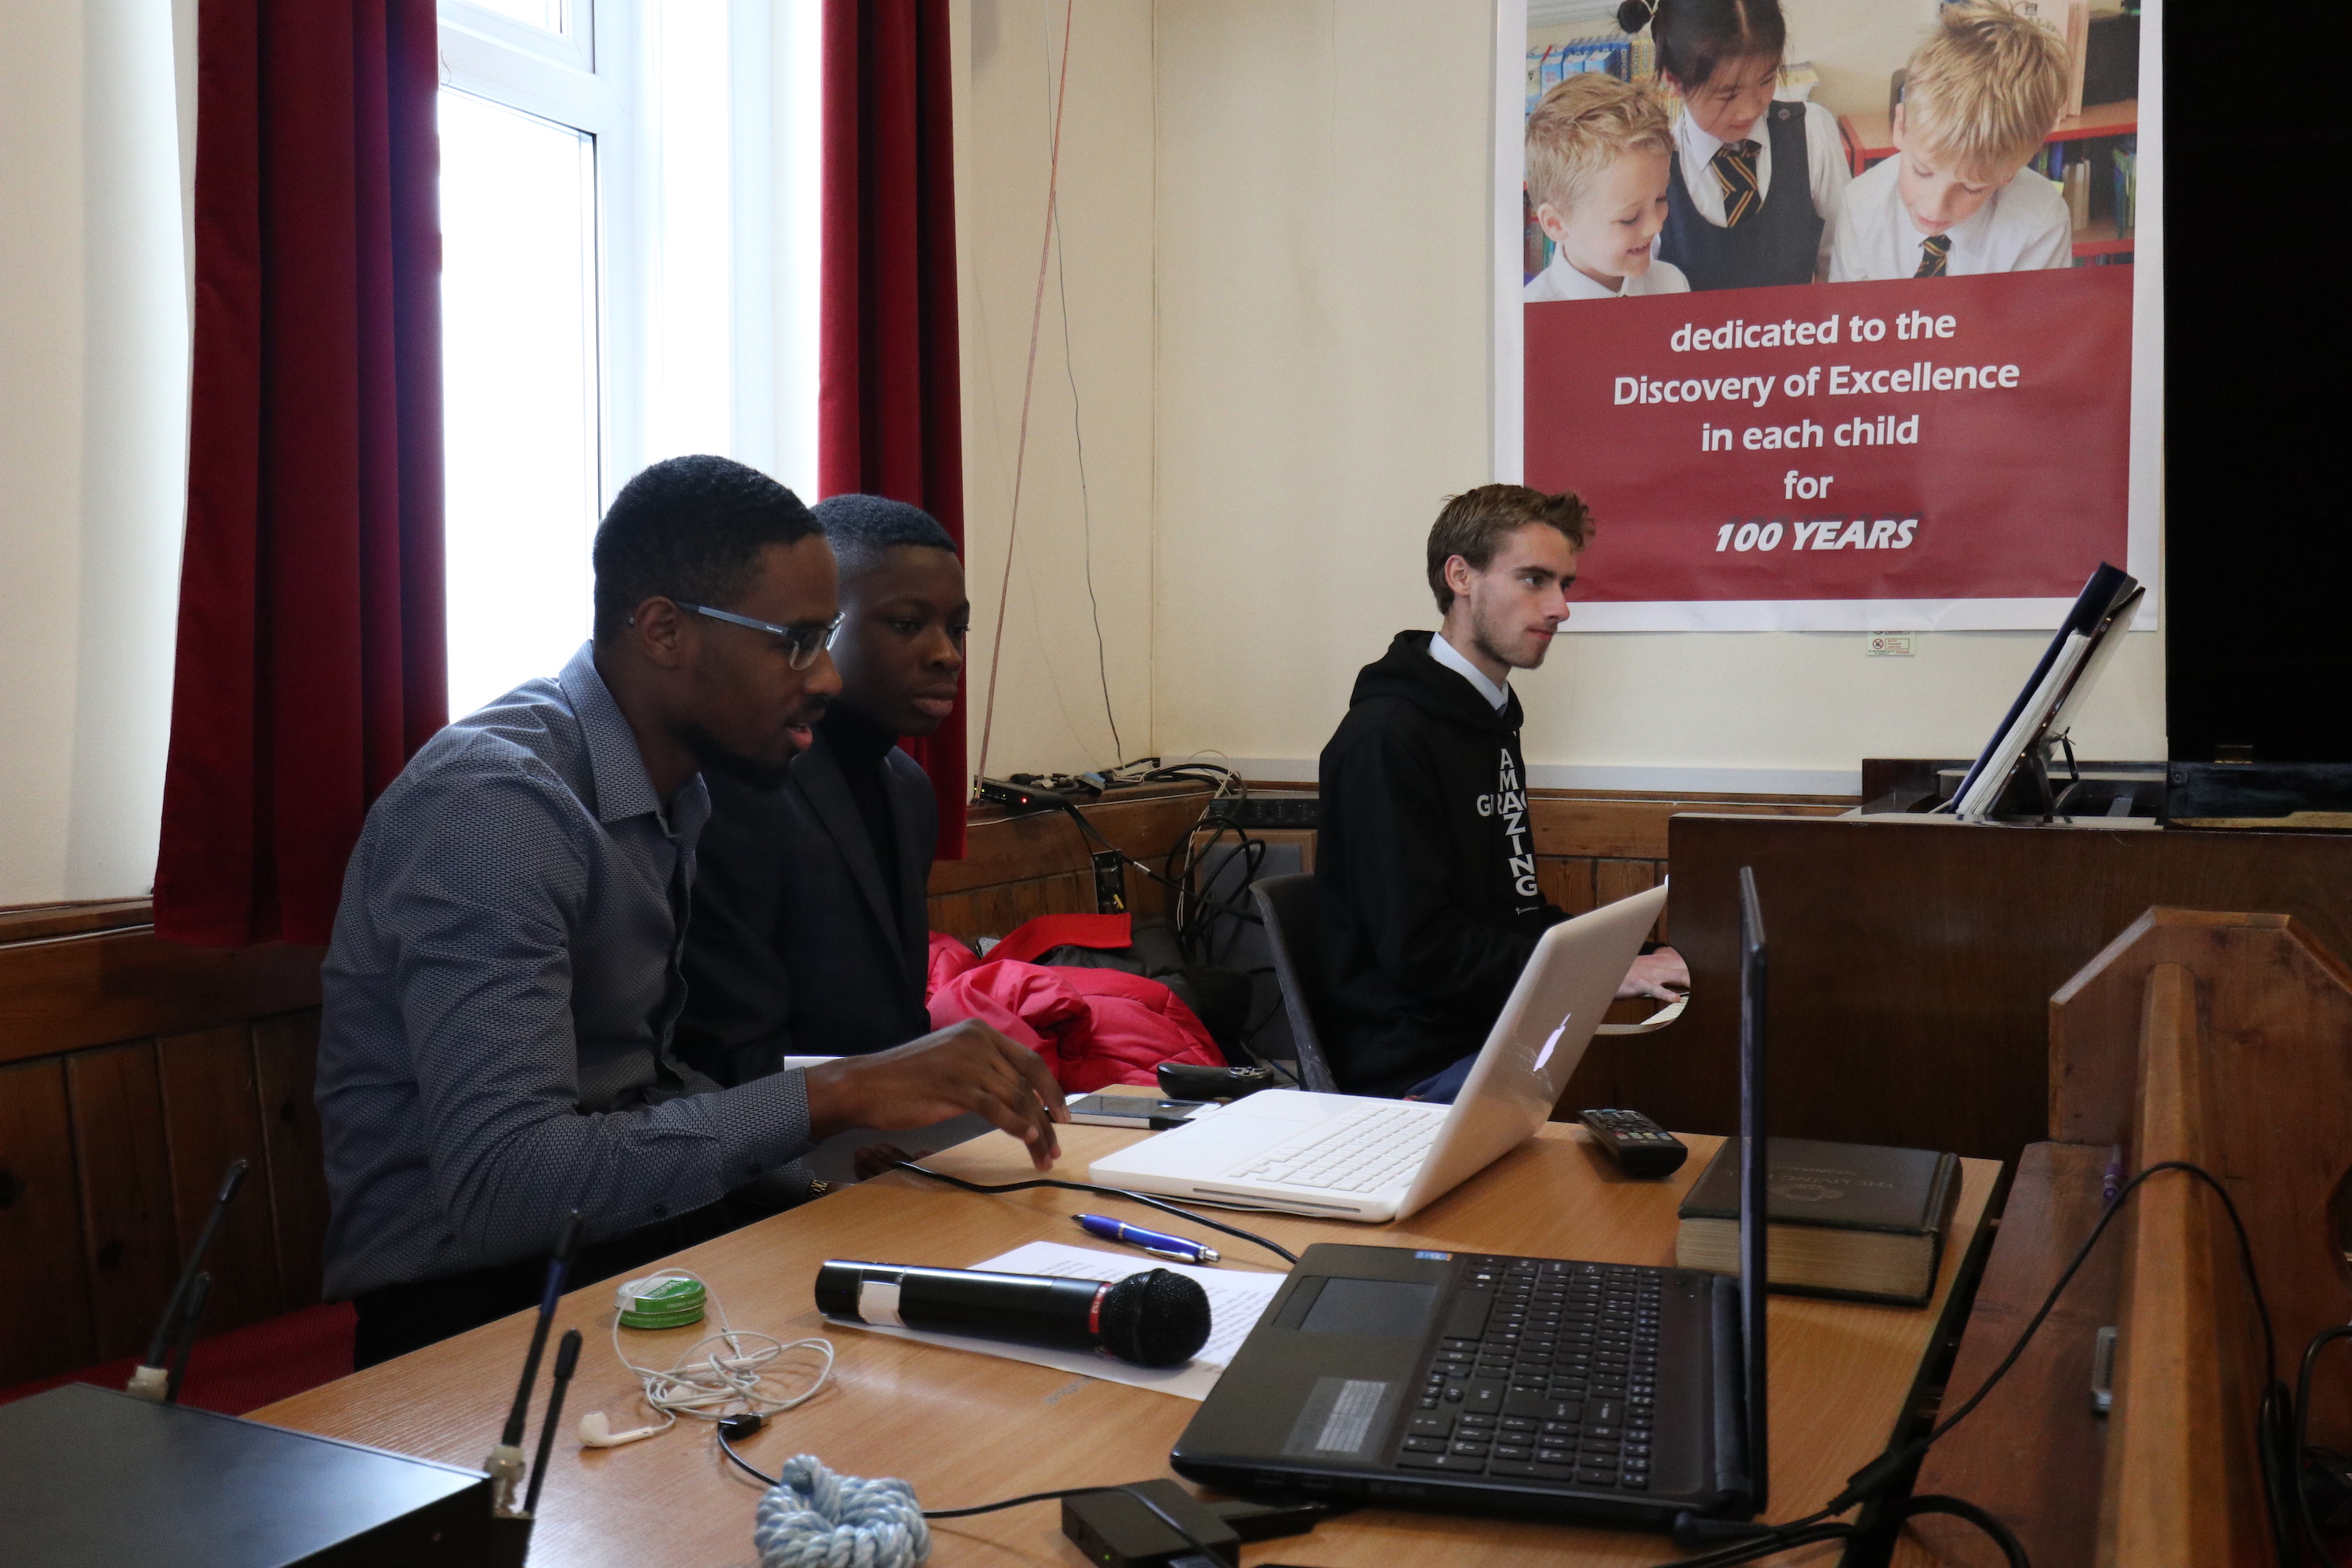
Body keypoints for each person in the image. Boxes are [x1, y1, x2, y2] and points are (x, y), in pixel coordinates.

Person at [315, 456, 1065, 1367]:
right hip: (468, 1322)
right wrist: (835, 1095)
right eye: (797, 641)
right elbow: (506, 1184)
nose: (827, 678)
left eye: (826, 638)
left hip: (624, 1253)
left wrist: (810, 1164)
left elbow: (638, 1091)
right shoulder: (497, 806)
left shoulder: (673, 789)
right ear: (665, 631)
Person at [1315, 484, 1687, 1102]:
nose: (1560, 608)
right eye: (1534, 580)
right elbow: (1421, 951)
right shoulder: (1386, 736)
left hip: (1494, 1034)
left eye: (1565, 584)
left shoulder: (1489, 719)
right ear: (1460, 576)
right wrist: (1603, 974)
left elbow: (1517, 915)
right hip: (1415, 1068)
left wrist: (1642, 955)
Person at [678, 495, 967, 1087]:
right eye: (907, 625)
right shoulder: (737, 788)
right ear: (820, 629)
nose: (947, 654)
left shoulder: (909, 789)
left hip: (888, 1126)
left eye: (957, 628)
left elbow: (897, 1024)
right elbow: (729, 1051)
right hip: (776, 1132)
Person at [1828, 2, 2071, 281]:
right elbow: (1847, 307)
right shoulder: (1861, 206)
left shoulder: (2041, 224)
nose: (1934, 208)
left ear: (2010, 170)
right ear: (1901, 125)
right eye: (1922, 171)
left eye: (1970, 188)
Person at [1623, 0, 1849, 291]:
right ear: (1673, 80)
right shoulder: (1654, 167)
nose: (1749, 110)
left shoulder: (1812, 133)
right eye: (1727, 95)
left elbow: (1842, 265)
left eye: (1766, 80)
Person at [1523, 74, 1691, 303]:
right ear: (1556, 223)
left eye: (1660, 199)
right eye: (1629, 218)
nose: (1656, 226)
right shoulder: (1531, 313)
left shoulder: (1671, 284)